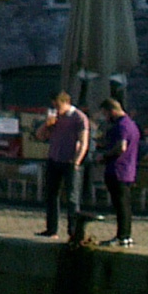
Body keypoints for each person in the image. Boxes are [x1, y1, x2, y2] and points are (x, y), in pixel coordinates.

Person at [37, 92, 91, 239]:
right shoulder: (55, 118)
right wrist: (46, 124)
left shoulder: (79, 118)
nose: (56, 108)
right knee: (51, 195)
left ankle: (73, 230)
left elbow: (84, 141)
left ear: (65, 102)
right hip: (54, 159)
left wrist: (77, 161)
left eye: (58, 105)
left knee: (72, 197)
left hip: (70, 161)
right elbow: (40, 136)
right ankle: (51, 229)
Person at [100, 96, 141, 247]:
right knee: (125, 205)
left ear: (111, 111)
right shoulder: (132, 124)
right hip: (128, 170)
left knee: (121, 205)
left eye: (105, 114)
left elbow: (121, 147)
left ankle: (122, 236)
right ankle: (125, 236)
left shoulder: (121, 125)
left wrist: (104, 156)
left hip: (118, 170)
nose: (105, 117)